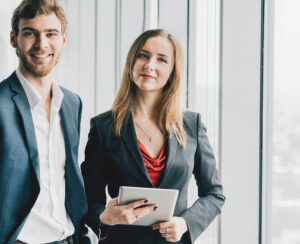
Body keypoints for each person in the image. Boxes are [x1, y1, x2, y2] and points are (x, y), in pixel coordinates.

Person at [81, 29, 225, 244]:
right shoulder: (103, 127)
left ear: (172, 71)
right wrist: (104, 217)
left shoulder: (191, 124)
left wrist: (184, 223)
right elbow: (88, 200)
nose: (150, 65)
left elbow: (214, 194)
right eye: (143, 55)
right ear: (132, 62)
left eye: (162, 59)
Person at [0, 0, 90, 243]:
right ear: (13, 39)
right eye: (30, 33)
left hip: (68, 237)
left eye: (51, 34)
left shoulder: (72, 103)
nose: (42, 44)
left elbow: (68, 177)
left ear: (63, 39)